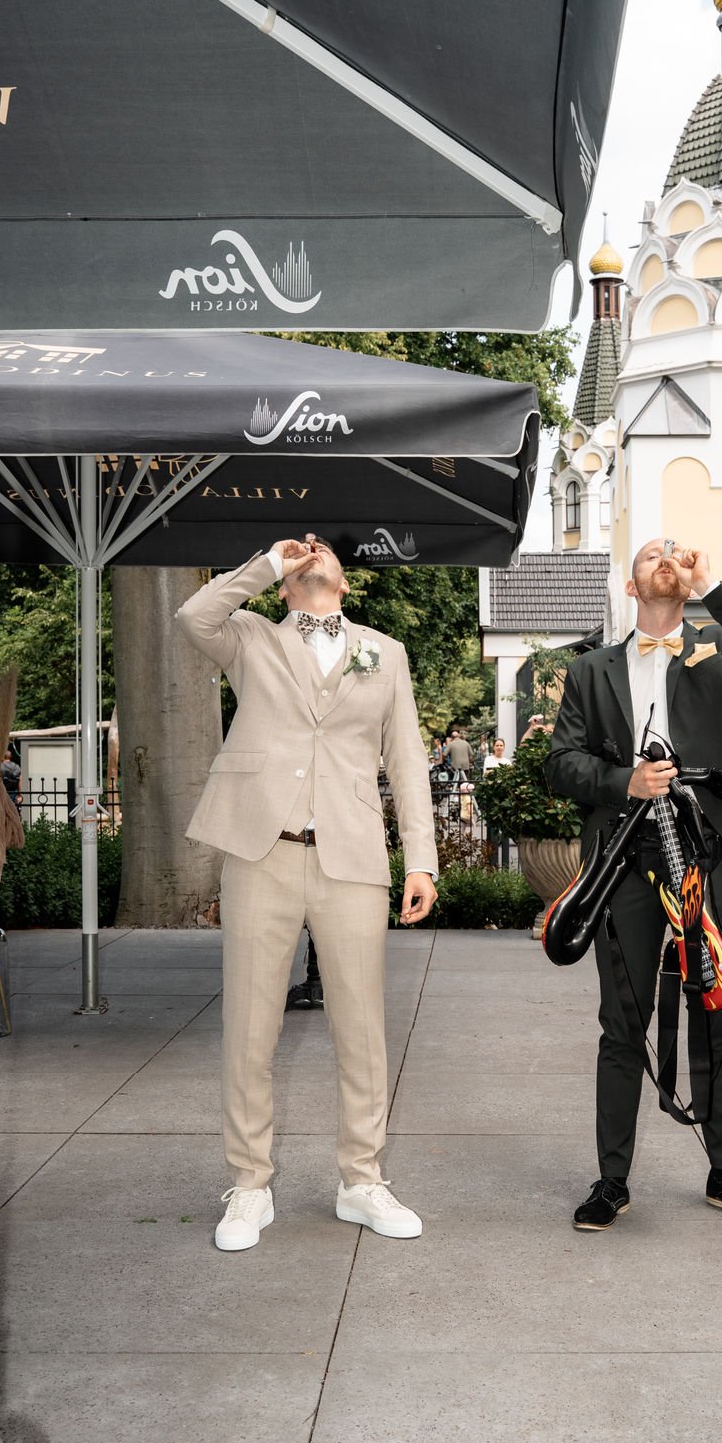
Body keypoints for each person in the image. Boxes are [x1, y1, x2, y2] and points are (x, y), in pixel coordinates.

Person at [176, 534, 438, 1251]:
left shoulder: (385, 652)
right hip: (260, 853)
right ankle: (249, 1185)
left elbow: (406, 758)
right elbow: (193, 616)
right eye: (301, 558)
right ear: (287, 586)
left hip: (351, 859)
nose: (315, 552)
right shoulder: (251, 638)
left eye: (325, 553)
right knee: (249, 1029)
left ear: (346, 584)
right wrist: (267, 564)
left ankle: (361, 1180)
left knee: (361, 1030)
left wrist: (421, 860)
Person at [545, 539, 722, 1231]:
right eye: (650, 555)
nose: (665, 559)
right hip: (624, 853)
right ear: (630, 587)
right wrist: (620, 780)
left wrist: (711, 586)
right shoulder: (590, 670)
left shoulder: (717, 649)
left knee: (719, 1006)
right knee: (622, 1018)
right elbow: (560, 763)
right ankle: (611, 1182)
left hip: (710, 849)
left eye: (674, 555)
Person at [0, 747, 22, 814]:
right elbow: (20, 780)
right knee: (13, 812)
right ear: (10, 757)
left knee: (2, 812)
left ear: (3, 757)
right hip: (14, 793)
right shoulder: (16, 767)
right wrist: (20, 794)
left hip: (2, 793)